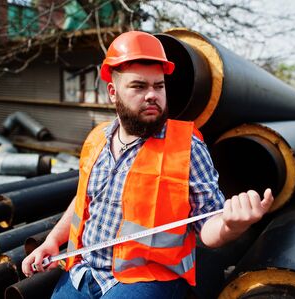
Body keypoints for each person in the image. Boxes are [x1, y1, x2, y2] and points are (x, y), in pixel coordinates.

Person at [21, 31, 274, 299]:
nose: (152, 95)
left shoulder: (187, 149)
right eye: (139, 86)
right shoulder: (96, 140)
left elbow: (209, 226)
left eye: (159, 86)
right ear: (113, 92)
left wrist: (231, 225)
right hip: (84, 270)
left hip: (148, 279)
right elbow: (83, 200)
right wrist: (52, 241)